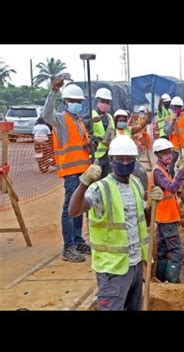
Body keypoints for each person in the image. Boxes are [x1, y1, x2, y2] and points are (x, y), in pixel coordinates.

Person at [68, 135, 154, 310]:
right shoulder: (100, 188)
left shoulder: (136, 184)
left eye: (128, 159)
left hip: (136, 265)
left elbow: (141, 220)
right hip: (112, 270)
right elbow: (74, 211)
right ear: (111, 160)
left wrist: (153, 204)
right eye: (119, 159)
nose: (124, 162)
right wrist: (84, 183)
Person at [43, 76, 92, 262]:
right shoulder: (61, 120)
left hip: (83, 171)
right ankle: (68, 247)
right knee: (69, 209)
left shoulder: (78, 121)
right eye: (73, 101)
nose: (76, 104)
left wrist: (89, 146)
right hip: (71, 173)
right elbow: (47, 115)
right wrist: (53, 91)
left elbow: (80, 145)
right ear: (65, 102)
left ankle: (78, 239)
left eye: (79, 102)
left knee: (79, 207)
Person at [151, 138, 184, 283]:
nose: (168, 155)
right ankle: (173, 280)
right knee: (176, 251)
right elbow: (171, 187)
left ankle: (161, 278)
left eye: (169, 152)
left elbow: (172, 189)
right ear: (158, 154)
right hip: (166, 217)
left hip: (165, 215)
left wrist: (181, 182)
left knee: (162, 249)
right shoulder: (158, 172)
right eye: (165, 152)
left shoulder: (163, 170)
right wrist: (181, 171)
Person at [90, 88, 115, 178]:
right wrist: (91, 121)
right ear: (97, 101)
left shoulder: (109, 117)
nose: (105, 104)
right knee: (94, 180)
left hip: (108, 155)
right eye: (102, 101)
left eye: (107, 102)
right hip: (95, 155)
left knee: (107, 180)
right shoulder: (91, 115)